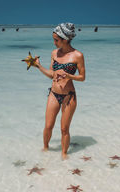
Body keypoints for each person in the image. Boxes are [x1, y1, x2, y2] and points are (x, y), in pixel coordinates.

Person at [34, 23, 86, 160]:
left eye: (56, 40)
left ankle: (64, 155)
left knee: (64, 129)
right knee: (48, 125)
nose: (54, 42)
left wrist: (70, 76)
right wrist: (39, 66)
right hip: (54, 94)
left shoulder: (78, 55)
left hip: (69, 96)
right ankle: (45, 149)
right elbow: (52, 74)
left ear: (65, 39)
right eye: (53, 39)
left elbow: (82, 77)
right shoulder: (54, 53)